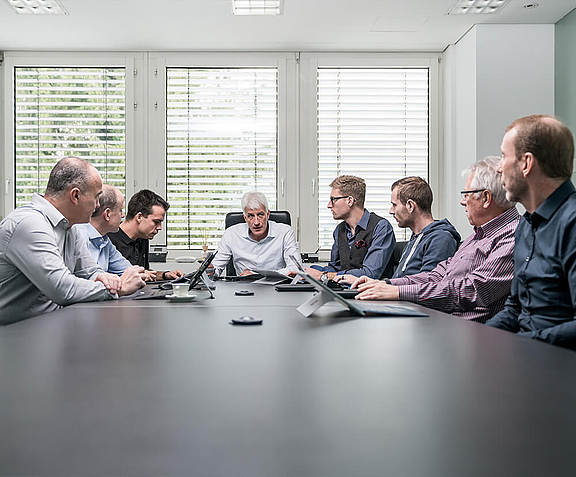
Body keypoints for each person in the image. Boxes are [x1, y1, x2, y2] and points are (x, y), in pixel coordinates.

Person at [350, 157, 520, 323]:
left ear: (486, 198)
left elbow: (471, 290)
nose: (462, 202)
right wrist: (385, 284)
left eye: (466, 194)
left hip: (466, 334)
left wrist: (398, 292)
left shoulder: (512, 236)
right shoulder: (475, 237)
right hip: (443, 323)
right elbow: (436, 275)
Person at [0, 157, 146, 324]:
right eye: (96, 197)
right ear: (75, 195)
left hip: (51, 325)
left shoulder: (70, 227)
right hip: (15, 336)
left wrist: (106, 278)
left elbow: (90, 271)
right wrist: (119, 287)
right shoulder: (29, 224)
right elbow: (63, 289)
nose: (97, 205)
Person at [486, 115, 576, 349]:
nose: (498, 168)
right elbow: (515, 308)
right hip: (529, 355)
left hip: (558, 365)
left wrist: (519, 345)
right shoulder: (526, 224)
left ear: (526, 163)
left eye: (504, 156)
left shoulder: (572, 223)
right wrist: (480, 339)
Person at [306, 175, 395, 281]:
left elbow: (370, 274)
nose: (329, 205)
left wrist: (324, 275)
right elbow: (335, 268)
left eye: (333, 200)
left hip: (372, 294)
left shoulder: (381, 227)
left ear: (350, 201)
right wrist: (306, 273)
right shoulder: (339, 230)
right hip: (344, 291)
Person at [211, 191, 302, 276]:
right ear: (245, 218)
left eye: (260, 215)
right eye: (251, 216)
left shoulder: (285, 232)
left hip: (276, 287)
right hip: (243, 288)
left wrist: (255, 275)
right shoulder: (231, 234)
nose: (256, 222)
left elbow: (295, 268)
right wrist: (209, 270)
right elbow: (215, 268)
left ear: (268, 214)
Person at [388, 176, 460, 278]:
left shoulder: (440, 239)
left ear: (410, 206)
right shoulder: (416, 237)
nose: (391, 211)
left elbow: (428, 286)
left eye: (394, 205)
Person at [108, 189, 183, 282]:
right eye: (156, 222)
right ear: (139, 217)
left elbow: (145, 272)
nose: (159, 228)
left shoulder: (142, 238)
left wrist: (165, 275)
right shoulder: (109, 238)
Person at [76, 184, 144, 277]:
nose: (123, 215)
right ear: (107, 214)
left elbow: (128, 271)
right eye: (120, 210)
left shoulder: (104, 241)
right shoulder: (79, 237)